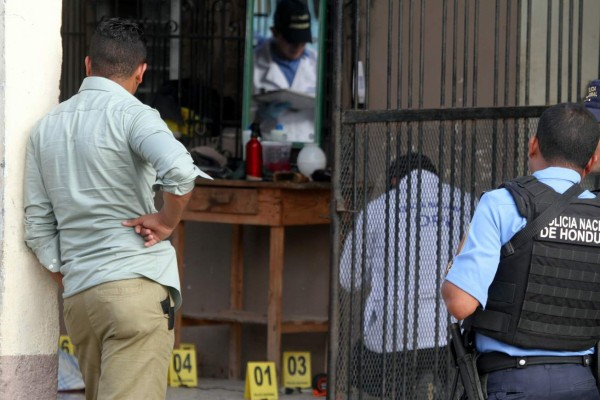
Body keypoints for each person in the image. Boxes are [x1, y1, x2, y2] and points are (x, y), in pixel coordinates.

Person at [23, 18, 211, 400]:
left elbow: (38, 229)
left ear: (88, 65)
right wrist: (167, 220)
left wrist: (76, 275)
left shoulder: (45, 129)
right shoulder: (135, 115)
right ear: (141, 72)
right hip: (134, 286)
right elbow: (179, 170)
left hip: (80, 299)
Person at [442, 103, 600, 399]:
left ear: (533, 145)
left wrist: (456, 260)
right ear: (592, 160)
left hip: (512, 383)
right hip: (582, 381)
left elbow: (460, 304)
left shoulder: (501, 203)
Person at [340, 152, 471, 398]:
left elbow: (349, 279)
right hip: (454, 329)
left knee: (360, 365)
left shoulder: (377, 209)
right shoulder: (468, 203)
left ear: (393, 181)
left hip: (393, 334)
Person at [253, 0, 317, 143]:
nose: (298, 47)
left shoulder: (316, 63)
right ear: (274, 32)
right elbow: (245, 116)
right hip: (269, 145)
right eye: (291, 41)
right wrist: (260, 115)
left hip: (308, 146)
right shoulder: (254, 63)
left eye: (302, 41)